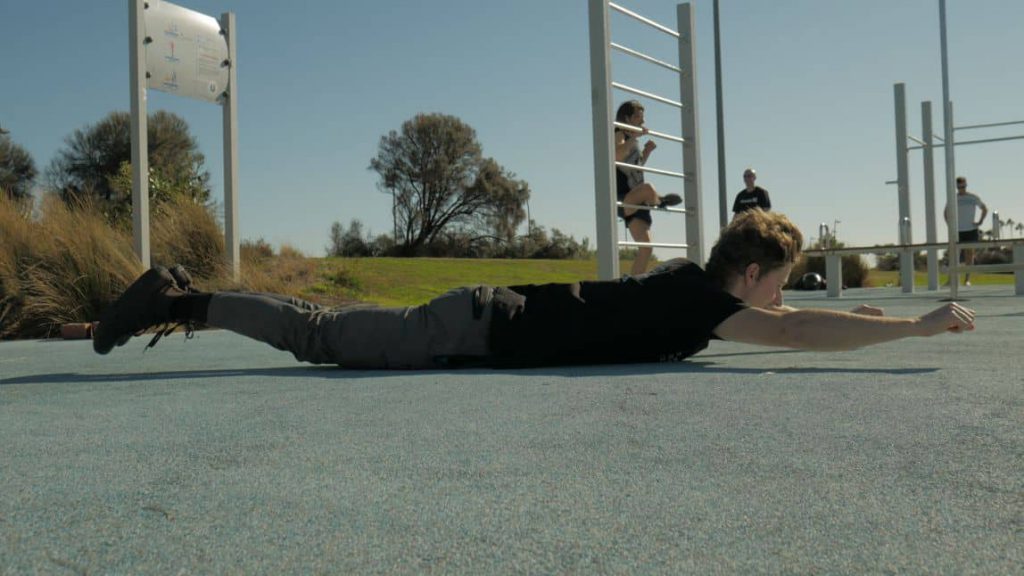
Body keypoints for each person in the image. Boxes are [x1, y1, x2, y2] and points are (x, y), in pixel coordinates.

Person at [92, 210, 976, 369]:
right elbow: (786, 336)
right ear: (750, 274)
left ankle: (185, 297)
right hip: (475, 330)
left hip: (478, 315)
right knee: (320, 336)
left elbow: (790, 321)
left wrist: (866, 315)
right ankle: (178, 302)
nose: (781, 296)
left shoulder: (688, 286)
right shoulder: (707, 307)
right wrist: (913, 330)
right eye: (779, 281)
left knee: (330, 324)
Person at [614, 100, 682, 276]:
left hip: (638, 198)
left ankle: (632, 287)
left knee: (646, 248)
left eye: (643, 118)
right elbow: (616, 155)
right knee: (648, 188)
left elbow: (635, 168)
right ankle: (660, 201)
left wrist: (647, 153)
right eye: (638, 117)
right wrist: (635, 138)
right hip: (625, 197)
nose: (642, 122)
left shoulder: (633, 141)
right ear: (627, 118)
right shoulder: (619, 133)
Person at [943, 175, 988, 286]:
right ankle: (951, 280)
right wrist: (950, 225)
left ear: (966, 185)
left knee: (969, 254)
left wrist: (980, 222)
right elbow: (946, 212)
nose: (961, 189)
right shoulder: (953, 198)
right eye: (959, 187)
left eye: (963, 186)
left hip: (971, 230)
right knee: (954, 255)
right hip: (958, 231)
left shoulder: (972, 198)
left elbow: (984, 209)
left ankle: (967, 279)